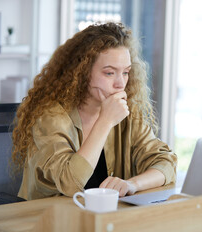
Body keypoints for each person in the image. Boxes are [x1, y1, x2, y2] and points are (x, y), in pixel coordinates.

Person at [11, 22, 177, 200]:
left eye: (126, 72)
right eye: (109, 73)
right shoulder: (51, 118)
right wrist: (104, 122)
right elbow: (70, 182)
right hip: (50, 220)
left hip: (103, 219)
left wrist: (132, 184)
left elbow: (165, 163)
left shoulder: (126, 114)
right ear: (82, 72)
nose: (120, 84)